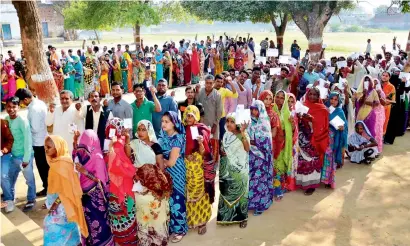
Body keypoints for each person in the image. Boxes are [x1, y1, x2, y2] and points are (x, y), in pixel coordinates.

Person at [128, 120, 172, 246]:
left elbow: (161, 168)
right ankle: (145, 241)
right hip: (139, 185)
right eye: (139, 129)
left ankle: (159, 240)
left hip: (154, 185)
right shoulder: (134, 144)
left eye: (144, 129)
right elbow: (128, 157)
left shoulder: (155, 146)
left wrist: (150, 176)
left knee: (157, 213)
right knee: (143, 214)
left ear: (149, 131)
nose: (141, 132)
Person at [43, 135, 88, 245]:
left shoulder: (63, 164)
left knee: (50, 225)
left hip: (63, 205)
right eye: (45, 147)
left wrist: (55, 204)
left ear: (58, 148)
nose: (46, 149)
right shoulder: (55, 162)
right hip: (58, 203)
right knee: (69, 229)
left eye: (49, 147)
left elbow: (66, 190)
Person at [72, 130, 114, 246]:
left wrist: (85, 172)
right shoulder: (84, 154)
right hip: (84, 196)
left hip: (95, 197)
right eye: (82, 142)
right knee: (88, 222)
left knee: (99, 222)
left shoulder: (97, 157)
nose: (83, 145)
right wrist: (75, 141)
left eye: (85, 142)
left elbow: (100, 180)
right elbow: (75, 155)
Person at [183, 105, 215, 235]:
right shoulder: (182, 129)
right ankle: (192, 219)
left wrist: (201, 143)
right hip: (186, 166)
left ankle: (202, 221)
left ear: (196, 116)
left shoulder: (202, 129)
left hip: (198, 167)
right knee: (189, 193)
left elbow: (204, 152)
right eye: (187, 115)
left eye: (191, 115)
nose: (189, 118)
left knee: (199, 191)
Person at [105, 118, 138, 244]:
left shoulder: (124, 140)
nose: (111, 130)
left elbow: (128, 157)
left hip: (125, 180)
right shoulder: (107, 143)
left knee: (128, 208)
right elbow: (108, 163)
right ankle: (121, 238)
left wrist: (127, 140)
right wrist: (110, 147)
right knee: (117, 211)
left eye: (114, 127)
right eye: (110, 128)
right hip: (114, 183)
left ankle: (131, 237)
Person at [158, 111, 188, 243]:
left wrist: (159, 162)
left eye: (166, 121)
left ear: (174, 123)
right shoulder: (163, 135)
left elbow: (171, 162)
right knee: (168, 199)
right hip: (165, 173)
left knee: (177, 199)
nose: (163, 124)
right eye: (162, 121)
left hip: (176, 172)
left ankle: (180, 229)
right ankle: (171, 226)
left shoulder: (177, 138)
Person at [216, 112, 250, 228]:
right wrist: (222, 152)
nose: (229, 124)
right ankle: (226, 217)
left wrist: (242, 133)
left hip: (239, 170)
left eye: (232, 122)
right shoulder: (226, 135)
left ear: (237, 123)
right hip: (227, 169)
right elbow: (222, 149)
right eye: (228, 121)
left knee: (241, 193)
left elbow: (247, 148)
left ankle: (242, 218)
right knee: (226, 191)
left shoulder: (241, 134)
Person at [15, 88, 49, 197]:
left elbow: (34, 128)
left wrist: (23, 127)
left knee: (42, 167)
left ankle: (48, 188)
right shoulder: (40, 102)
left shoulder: (34, 109)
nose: (20, 104)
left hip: (39, 142)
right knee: (45, 167)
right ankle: (48, 187)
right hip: (44, 139)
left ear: (25, 99)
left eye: (20, 102)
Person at [5, 97, 36, 212]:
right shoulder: (7, 119)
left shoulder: (23, 121)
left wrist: (26, 159)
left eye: (14, 107)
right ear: (5, 107)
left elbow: (28, 140)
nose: (11, 109)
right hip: (13, 156)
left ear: (18, 107)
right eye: (9, 106)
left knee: (29, 179)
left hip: (24, 156)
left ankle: (31, 199)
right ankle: (10, 198)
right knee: (10, 177)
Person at [296, 87, 329, 195]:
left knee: (313, 161)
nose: (312, 96)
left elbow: (324, 126)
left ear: (318, 96)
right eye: (310, 94)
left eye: (315, 95)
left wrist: (311, 120)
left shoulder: (323, 109)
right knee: (303, 161)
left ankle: (312, 185)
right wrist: (300, 117)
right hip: (303, 139)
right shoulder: (302, 105)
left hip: (316, 139)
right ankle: (302, 182)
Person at [248, 100, 274, 215]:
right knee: (251, 180)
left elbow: (267, 139)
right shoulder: (248, 122)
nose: (254, 112)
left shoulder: (264, 122)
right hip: (251, 157)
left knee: (261, 181)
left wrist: (255, 141)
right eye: (252, 109)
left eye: (256, 109)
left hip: (262, 158)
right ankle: (251, 203)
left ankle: (261, 204)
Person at [46, 90, 84, 154]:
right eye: (62, 99)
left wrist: (78, 145)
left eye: (66, 99)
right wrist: (50, 112)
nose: (64, 101)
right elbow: (48, 123)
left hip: (71, 147)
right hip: (57, 145)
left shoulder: (76, 110)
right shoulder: (56, 109)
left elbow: (81, 129)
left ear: (71, 99)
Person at [195, 75, 223, 163]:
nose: (209, 85)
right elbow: (196, 105)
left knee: (213, 144)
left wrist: (215, 124)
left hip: (213, 124)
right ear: (205, 83)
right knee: (201, 142)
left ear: (213, 83)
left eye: (211, 83)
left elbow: (219, 111)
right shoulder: (200, 92)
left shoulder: (217, 95)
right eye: (207, 83)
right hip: (201, 123)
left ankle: (212, 166)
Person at [272, 90, 294, 197]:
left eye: (282, 98)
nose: (279, 100)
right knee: (273, 164)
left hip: (283, 143)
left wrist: (292, 123)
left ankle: (279, 189)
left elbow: (292, 131)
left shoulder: (287, 113)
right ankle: (272, 188)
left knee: (280, 165)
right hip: (272, 142)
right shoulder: (271, 110)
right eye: (277, 97)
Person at [214, 74, 238, 141]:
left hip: (221, 116)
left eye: (221, 82)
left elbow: (235, 95)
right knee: (213, 135)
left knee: (222, 134)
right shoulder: (210, 89)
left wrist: (231, 83)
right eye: (218, 81)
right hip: (212, 117)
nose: (219, 83)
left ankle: (221, 150)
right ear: (214, 81)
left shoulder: (224, 90)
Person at [1, 119, 14, 210]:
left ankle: (9, 199)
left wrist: (4, 150)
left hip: (3, 154)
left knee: (3, 176)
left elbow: (10, 139)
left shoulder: (2, 123)